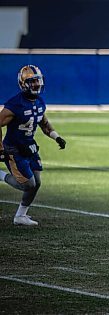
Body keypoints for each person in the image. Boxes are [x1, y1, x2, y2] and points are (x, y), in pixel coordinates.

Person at [0, 65, 66, 226]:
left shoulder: (40, 102)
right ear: (23, 83)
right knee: (28, 185)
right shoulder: (15, 104)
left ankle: (20, 216)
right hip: (14, 148)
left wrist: (56, 137)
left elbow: (44, 124)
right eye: (32, 81)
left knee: (37, 182)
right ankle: (1, 175)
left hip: (30, 146)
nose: (36, 84)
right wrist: (1, 149)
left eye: (38, 80)